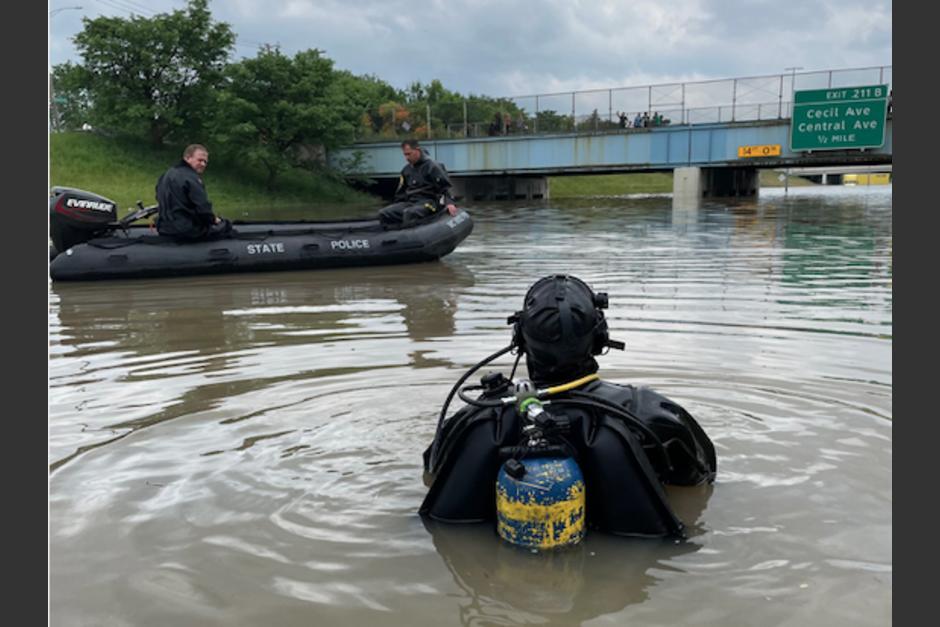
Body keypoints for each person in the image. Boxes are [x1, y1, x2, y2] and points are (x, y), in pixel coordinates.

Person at [421, 274, 716, 538]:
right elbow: (701, 477)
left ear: (519, 339)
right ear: (600, 337)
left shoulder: (477, 415)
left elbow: (432, 468)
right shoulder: (649, 412)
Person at [155, 144, 233, 241]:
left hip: (164, 229)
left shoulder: (165, 175)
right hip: (187, 231)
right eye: (200, 160)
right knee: (227, 227)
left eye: (205, 162)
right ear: (187, 158)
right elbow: (202, 208)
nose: (203, 164)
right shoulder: (191, 178)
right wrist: (215, 220)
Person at [378, 139, 458, 226]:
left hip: (429, 203)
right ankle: (391, 235)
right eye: (405, 155)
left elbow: (445, 187)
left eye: (409, 154)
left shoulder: (432, 167)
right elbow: (401, 193)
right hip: (411, 202)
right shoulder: (406, 170)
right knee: (384, 213)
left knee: (410, 213)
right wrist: (396, 206)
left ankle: (411, 234)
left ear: (417, 150)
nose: (407, 158)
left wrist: (450, 203)